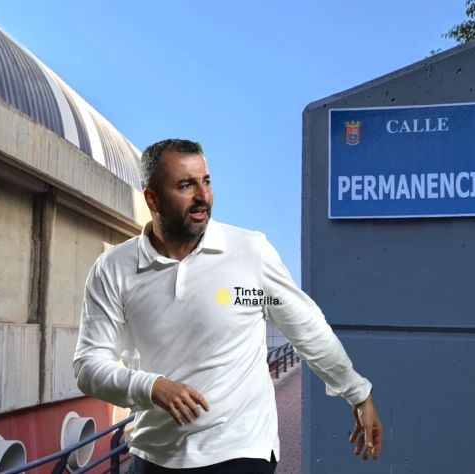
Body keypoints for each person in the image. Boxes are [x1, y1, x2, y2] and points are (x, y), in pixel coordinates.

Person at [74, 139, 381, 473]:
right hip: (152, 454)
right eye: (186, 185)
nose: (203, 196)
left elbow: (307, 328)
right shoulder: (113, 268)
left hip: (241, 450)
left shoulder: (251, 252)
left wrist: (358, 393)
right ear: (152, 199)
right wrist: (151, 386)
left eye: (206, 181)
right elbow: (89, 366)